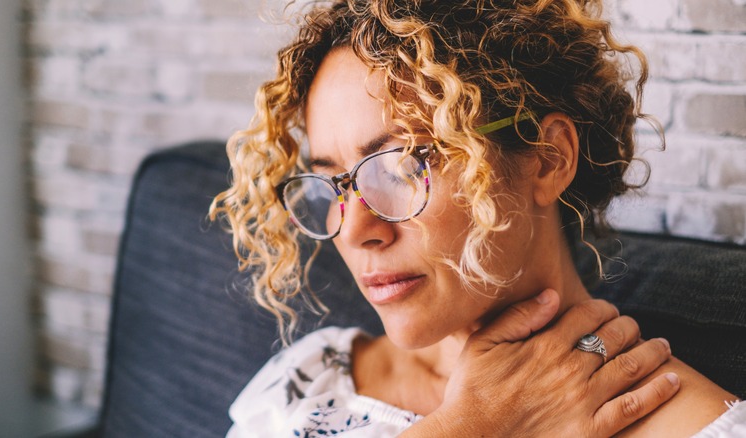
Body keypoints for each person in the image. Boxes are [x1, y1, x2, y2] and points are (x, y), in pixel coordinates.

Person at [210, 0, 744, 436]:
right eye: (333, 182)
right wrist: (471, 427)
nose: (353, 230)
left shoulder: (694, 426)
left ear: (547, 159)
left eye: (402, 166)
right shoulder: (309, 378)